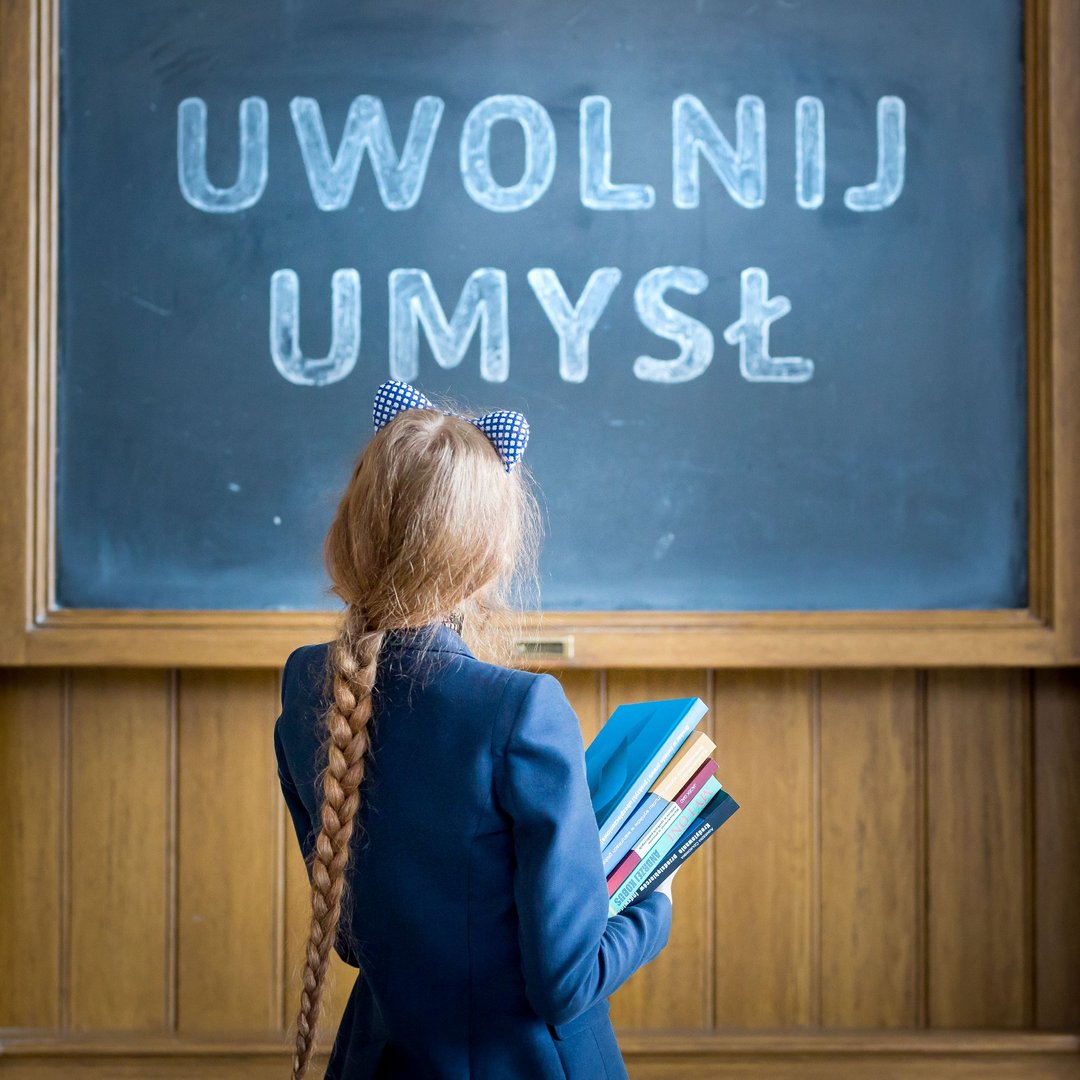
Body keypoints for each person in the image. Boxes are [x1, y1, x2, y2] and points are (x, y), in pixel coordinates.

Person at [274, 379, 677, 1080]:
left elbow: (353, 939)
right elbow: (567, 982)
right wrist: (655, 905)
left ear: (349, 532)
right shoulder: (522, 710)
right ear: (491, 553)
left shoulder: (310, 683)